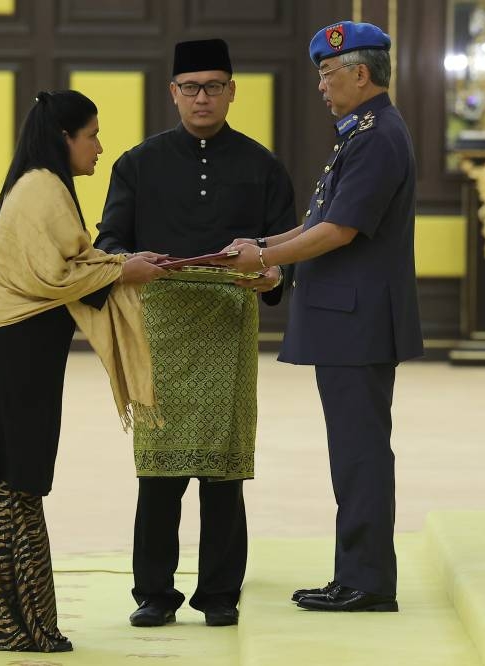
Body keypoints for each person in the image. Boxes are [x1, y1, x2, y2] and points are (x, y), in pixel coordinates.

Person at [0, 89, 166, 653]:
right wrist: (123, 270)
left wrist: (120, 268)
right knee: (7, 487)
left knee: (3, 487)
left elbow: (70, 267)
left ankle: (4, 623)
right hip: (4, 354)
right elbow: (54, 277)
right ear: (63, 138)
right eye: (91, 134)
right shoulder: (43, 187)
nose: (98, 146)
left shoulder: (40, 184)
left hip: (2, 351)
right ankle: (10, 626)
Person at [220, 21, 423, 612]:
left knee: (359, 453)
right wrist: (266, 248)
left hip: (355, 322)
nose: (320, 85)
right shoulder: (363, 132)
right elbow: (317, 223)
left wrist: (267, 255)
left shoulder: (378, 136)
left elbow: (340, 230)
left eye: (327, 73)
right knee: (352, 452)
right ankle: (355, 573)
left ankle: (365, 581)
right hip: (346, 317)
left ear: (360, 74)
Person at [94, 38, 296, 627]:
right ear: (172, 93)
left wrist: (272, 276)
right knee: (156, 470)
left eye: (213, 86)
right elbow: (109, 243)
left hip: (229, 323)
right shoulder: (137, 163)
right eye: (190, 87)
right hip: (159, 325)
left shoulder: (263, 166)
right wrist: (131, 262)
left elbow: (285, 247)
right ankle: (154, 594)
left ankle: (219, 595)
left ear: (233, 91)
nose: (202, 98)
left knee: (223, 470)